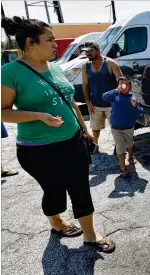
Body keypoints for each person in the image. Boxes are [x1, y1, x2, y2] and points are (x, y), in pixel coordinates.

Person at [1, 16, 115, 253]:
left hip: (72, 140)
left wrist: (85, 131)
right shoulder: (10, 72)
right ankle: (56, 222)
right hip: (37, 148)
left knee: (80, 186)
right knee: (53, 189)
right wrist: (39, 116)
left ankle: (91, 235)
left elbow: (70, 100)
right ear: (31, 43)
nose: (55, 44)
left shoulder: (54, 67)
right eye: (50, 40)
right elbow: (3, 112)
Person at [82, 41, 122, 146]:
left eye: (90, 51)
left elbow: (122, 82)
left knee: (116, 128)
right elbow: (85, 85)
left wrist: (118, 99)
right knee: (95, 128)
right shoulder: (85, 66)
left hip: (112, 104)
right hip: (95, 104)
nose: (87, 54)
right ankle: (95, 146)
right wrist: (87, 102)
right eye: (86, 52)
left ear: (98, 50)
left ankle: (119, 147)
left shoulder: (110, 63)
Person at [102, 76, 142, 177]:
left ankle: (130, 157)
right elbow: (104, 96)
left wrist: (134, 106)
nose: (123, 85)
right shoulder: (114, 96)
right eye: (121, 83)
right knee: (120, 148)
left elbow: (138, 112)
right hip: (116, 128)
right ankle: (123, 168)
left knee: (129, 143)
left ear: (130, 88)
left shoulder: (132, 98)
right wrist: (116, 90)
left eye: (126, 84)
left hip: (129, 127)